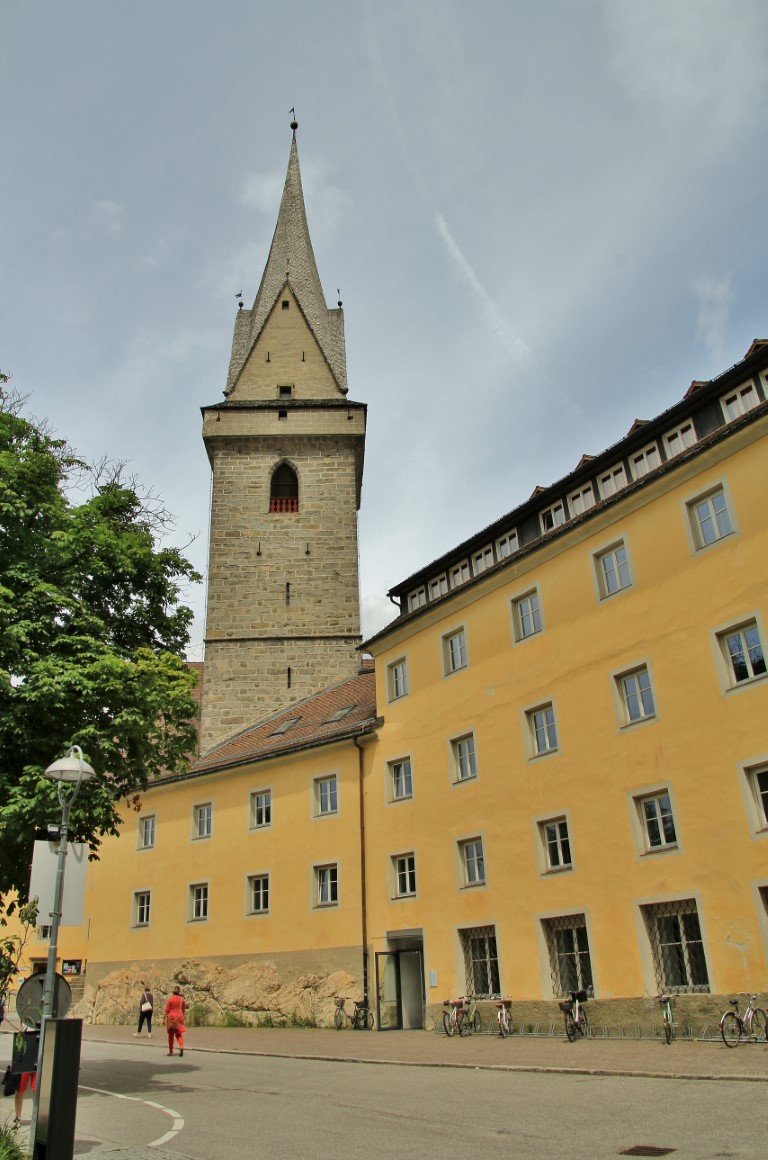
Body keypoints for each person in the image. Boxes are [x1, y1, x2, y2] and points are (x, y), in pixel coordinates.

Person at [164, 985, 186, 1057]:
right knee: (178, 1034)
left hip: (172, 1017)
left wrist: (163, 1018)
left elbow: (167, 1010)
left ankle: (171, 1051)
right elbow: (183, 1010)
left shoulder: (170, 999)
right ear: (179, 992)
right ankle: (181, 1047)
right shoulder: (182, 1000)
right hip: (179, 1017)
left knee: (171, 1035)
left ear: (173, 991)